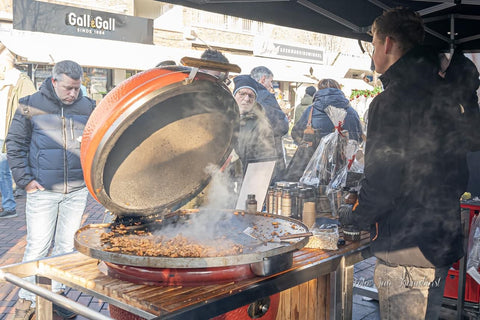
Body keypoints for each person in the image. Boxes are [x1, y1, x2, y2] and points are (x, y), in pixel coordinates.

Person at [341, 8, 479, 319]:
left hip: (406, 247)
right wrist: (469, 96)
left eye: (373, 43)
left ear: (387, 44)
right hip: (440, 241)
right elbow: (474, 140)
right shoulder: (444, 92)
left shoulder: (391, 102)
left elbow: (383, 181)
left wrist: (354, 216)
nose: (373, 52)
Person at [7, 60, 95, 320]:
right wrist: (25, 181)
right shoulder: (29, 103)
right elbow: (15, 144)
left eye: (77, 88)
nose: (73, 93)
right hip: (43, 190)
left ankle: (55, 297)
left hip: (77, 190)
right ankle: (26, 301)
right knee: (37, 246)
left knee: (66, 248)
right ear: (54, 81)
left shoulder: (88, 106)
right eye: (68, 88)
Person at [0, 44, 36, 218]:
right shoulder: (5, 83)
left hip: (9, 135)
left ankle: (9, 206)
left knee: (4, 171)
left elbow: (32, 110)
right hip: (4, 134)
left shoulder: (21, 82)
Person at [291, 79, 363, 147]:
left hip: (313, 157)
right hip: (342, 158)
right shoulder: (351, 112)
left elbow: (296, 133)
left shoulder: (311, 110)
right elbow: (358, 138)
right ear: (339, 89)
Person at [250, 66, 289, 181]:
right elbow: (281, 127)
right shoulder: (265, 96)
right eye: (270, 81)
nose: (271, 86)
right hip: (267, 153)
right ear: (263, 79)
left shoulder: (246, 94)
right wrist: (284, 118)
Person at [232, 74, 276, 172]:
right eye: (242, 93)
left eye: (251, 95)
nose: (246, 99)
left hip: (247, 178)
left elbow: (266, 158)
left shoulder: (261, 124)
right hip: (220, 178)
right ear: (234, 95)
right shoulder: (223, 116)